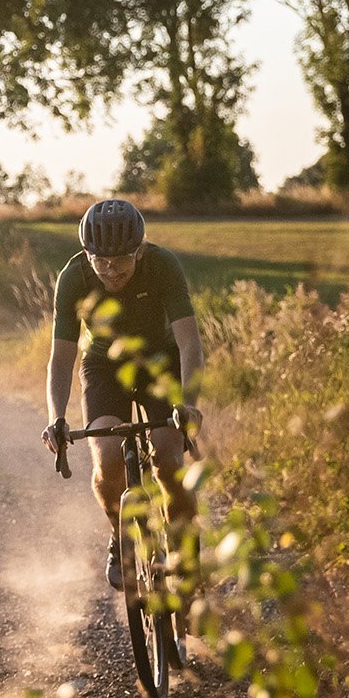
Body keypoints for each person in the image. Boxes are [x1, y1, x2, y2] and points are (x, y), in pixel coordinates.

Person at [41, 198, 205, 589]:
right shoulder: (74, 277)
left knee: (169, 462)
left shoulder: (162, 265)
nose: (111, 271)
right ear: (87, 254)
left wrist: (189, 404)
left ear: (140, 250)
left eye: (122, 261)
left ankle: (185, 553)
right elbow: (61, 358)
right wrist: (56, 417)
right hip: (102, 365)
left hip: (159, 360)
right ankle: (119, 533)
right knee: (107, 460)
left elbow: (189, 344)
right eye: (101, 261)